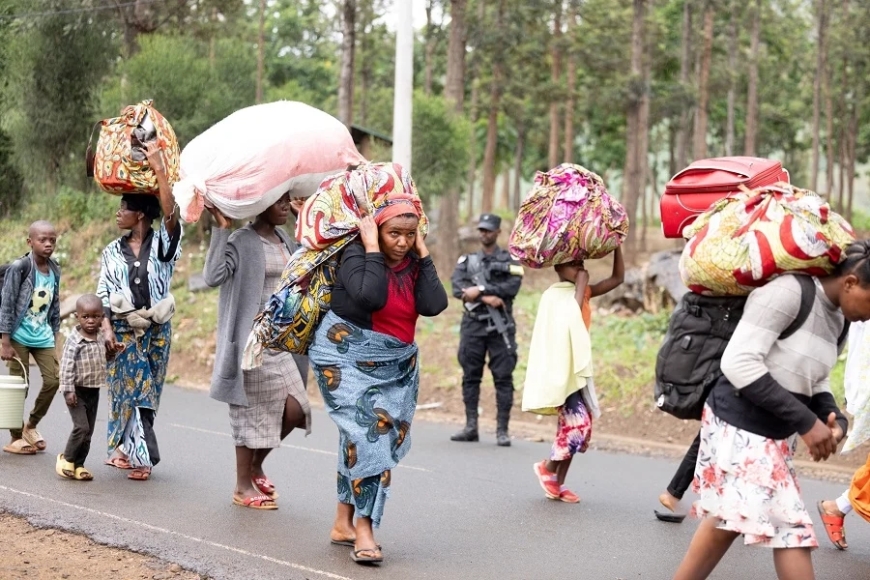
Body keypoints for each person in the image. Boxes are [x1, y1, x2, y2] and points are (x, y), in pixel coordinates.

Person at [671, 242, 870, 580]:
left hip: (774, 433)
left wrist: (833, 418)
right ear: (850, 282)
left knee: (731, 520)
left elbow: (816, 378)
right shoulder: (789, 292)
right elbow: (739, 363)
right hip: (737, 422)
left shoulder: (840, 318)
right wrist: (806, 422)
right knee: (791, 529)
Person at [308, 189, 448, 565]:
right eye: (394, 234)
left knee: (358, 437)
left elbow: (435, 304)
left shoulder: (414, 261)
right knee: (373, 435)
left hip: (393, 365)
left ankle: (342, 522)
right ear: (377, 229)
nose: (402, 242)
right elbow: (370, 297)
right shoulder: (355, 254)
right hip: (344, 357)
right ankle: (365, 529)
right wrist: (371, 247)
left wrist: (424, 253)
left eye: (410, 234)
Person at [203, 194, 311, 510]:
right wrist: (222, 228)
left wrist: (304, 218)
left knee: (296, 409)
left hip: (281, 341)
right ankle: (242, 487)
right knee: (249, 413)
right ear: (260, 204)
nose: (284, 205)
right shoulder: (242, 240)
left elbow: (309, 265)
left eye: (287, 200)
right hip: (252, 341)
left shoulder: (285, 239)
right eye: (278, 200)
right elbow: (212, 276)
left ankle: (255, 466)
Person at [97, 141, 181, 482]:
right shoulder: (110, 252)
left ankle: (125, 448)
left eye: (124, 208)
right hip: (123, 329)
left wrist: (159, 168)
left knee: (150, 390)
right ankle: (143, 456)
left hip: (157, 329)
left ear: (141, 215)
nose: (118, 214)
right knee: (133, 389)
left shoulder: (162, 245)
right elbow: (104, 293)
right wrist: (106, 331)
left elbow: (172, 217)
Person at [527, 249, 623, 503]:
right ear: (558, 268)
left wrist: (617, 248)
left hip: (578, 371)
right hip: (561, 372)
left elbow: (617, 279)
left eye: (581, 263)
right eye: (572, 264)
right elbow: (571, 319)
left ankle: (558, 483)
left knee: (573, 426)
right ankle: (547, 467)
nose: (579, 268)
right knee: (578, 426)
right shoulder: (553, 296)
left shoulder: (584, 291)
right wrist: (581, 284)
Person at [450, 213, 523, 446]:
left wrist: (480, 289)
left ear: (498, 232)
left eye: (489, 230)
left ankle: (502, 430)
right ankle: (471, 427)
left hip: (500, 326)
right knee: (470, 376)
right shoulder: (467, 260)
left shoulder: (511, 260)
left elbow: (513, 287)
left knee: (503, 377)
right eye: (482, 230)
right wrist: (487, 298)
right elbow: (457, 288)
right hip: (473, 324)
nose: (485, 234)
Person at [0, 220, 61, 455]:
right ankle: (15, 437)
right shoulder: (20, 267)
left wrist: (54, 334)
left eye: (52, 240)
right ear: (30, 242)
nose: (48, 244)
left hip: (43, 335)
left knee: (53, 381)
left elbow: (55, 304)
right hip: (18, 336)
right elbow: (7, 303)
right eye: (42, 240)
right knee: (19, 387)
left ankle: (31, 425)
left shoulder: (54, 269)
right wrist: (5, 340)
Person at [55, 294, 123, 481]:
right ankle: (66, 459)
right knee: (81, 427)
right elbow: (66, 367)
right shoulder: (74, 340)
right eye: (85, 317)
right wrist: (68, 390)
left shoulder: (101, 337)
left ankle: (79, 465)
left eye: (95, 316)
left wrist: (113, 352)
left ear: (102, 317)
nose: (91, 321)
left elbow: (106, 359)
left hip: (93, 391)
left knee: (88, 433)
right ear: (77, 316)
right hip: (76, 392)